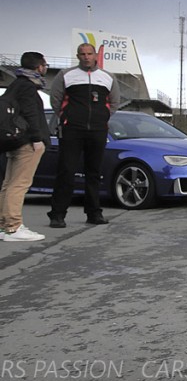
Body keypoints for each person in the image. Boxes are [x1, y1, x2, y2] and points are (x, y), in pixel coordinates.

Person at [47, 43, 120, 228]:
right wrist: (66, 117)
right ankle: (57, 214)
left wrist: (102, 118)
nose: (86, 57)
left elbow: (114, 102)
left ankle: (94, 213)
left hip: (97, 130)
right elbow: (55, 99)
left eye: (89, 53)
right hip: (72, 129)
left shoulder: (107, 77)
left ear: (95, 55)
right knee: (66, 171)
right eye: (82, 54)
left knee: (93, 173)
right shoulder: (66, 75)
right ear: (78, 56)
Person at [0, 52, 50, 242]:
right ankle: (14, 227)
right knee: (19, 184)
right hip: (27, 142)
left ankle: (4, 226)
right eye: (44, 65)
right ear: (39, 67)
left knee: (8, 184)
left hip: (15, 141)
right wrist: (37, 139)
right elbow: (31, 114)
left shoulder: (16, 84)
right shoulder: (28, 87)